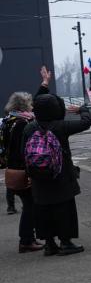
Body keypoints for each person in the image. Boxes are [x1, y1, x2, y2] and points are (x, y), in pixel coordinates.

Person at [23, 66, 91, 256]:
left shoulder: (30, 128)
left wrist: (44, 84)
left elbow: (23, 152)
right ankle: (66, 242)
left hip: (38, 176)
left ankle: (49, 244)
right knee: (64, 208)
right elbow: (86, 122)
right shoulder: (60, 126)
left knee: (42, 209)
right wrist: (82, 109)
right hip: (61, 175)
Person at [2, 89, 41, 252]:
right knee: (30, 206)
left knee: (29, 205)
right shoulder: (22, 124)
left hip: (12, 168)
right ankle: (26, 240)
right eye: (30, 103)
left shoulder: (9, 121)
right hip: (21, 170)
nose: (32, 106)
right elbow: (23, 150)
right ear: (23, 105)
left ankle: (29, 238)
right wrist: (30, 171)